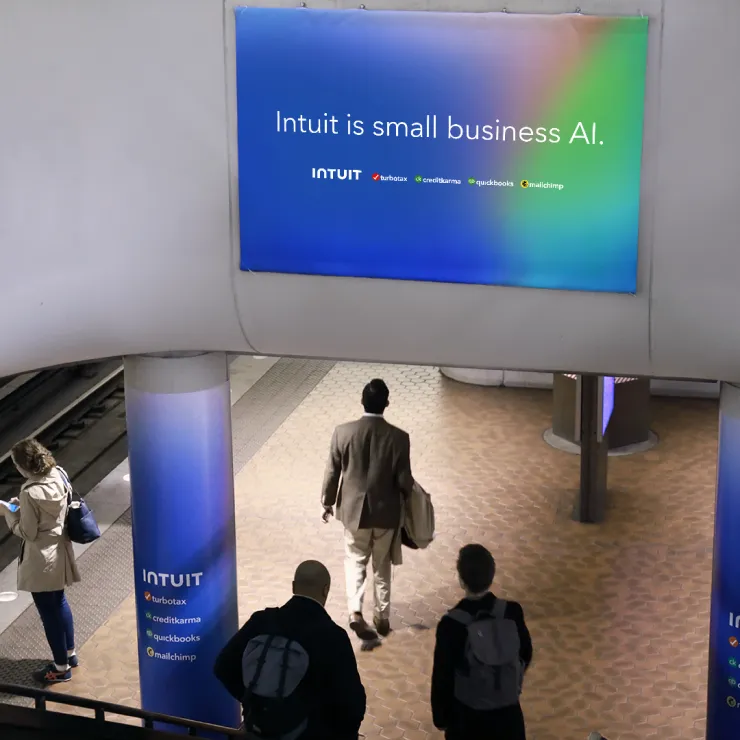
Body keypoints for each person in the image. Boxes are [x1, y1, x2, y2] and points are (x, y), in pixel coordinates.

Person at [214, 560, 366, 740]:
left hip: (257, 730)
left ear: (293, 587)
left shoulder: (261, 621)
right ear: (326, 590)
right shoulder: (333, 637)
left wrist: (253, 700)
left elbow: (222, 666)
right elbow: (352, 705)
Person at [321, 378, 413, 640]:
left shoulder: (343, 432)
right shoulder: (399, 438)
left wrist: (327, 502)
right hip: (386, 514)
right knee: (382, 563)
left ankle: (355, 611)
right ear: (387, 404)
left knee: (355, 560)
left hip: (353, 513)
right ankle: (382, 616)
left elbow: (332, 472)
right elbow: (404, 480)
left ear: (362, 401)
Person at [431, 544, 533, 740]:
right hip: (509, 717)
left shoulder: (451, 624)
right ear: (491, 576)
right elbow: (525, 653)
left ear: (462, 581)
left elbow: (442, 677)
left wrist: (442, 719)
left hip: (467, 720)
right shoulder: (512, 612)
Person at [0, 439, 81, 684]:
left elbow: (27, 532)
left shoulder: (30, 492)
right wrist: (21, 507)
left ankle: (60, 668)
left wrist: (8, 513)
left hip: (40, 560)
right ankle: (70, 653)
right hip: (61, 550)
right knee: (59, 603)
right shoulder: (58, 474)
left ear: (24, 466)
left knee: (48, 613)